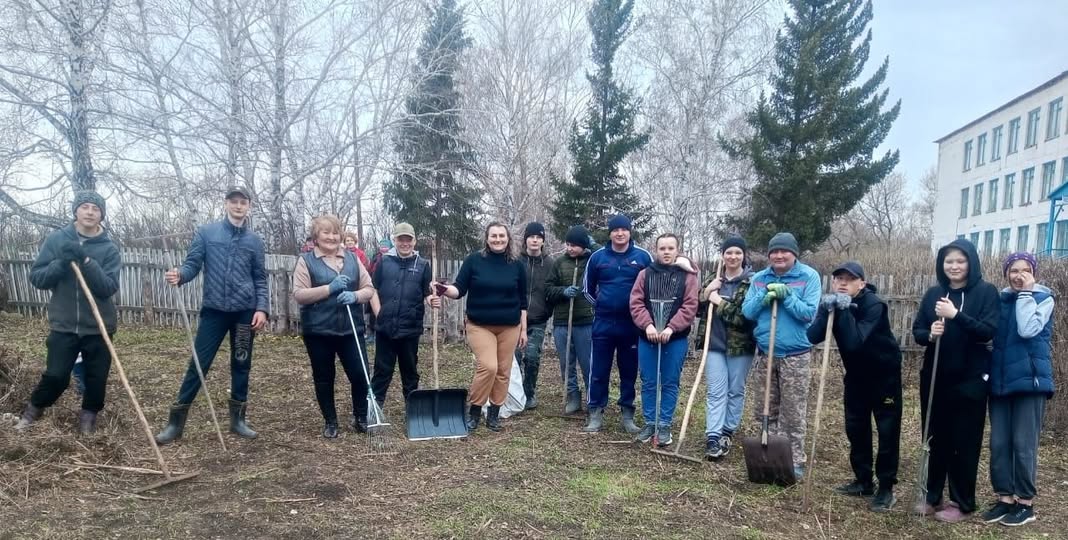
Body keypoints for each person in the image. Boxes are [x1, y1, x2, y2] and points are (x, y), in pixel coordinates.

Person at [155, 186, 269, 443]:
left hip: (244, 313)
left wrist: (262, 308)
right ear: (226, 204)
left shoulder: (254, 241)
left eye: (243, 202)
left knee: (241, 362)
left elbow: (260, 278)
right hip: (214, 311)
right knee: (199, 362)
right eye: (234, 201)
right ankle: (175, 423)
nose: (238, 206)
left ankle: (238, 420)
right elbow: (192, 264)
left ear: (249, 207)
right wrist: (180, 275)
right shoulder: (207, 233)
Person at [16, 191, 121, 435]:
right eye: (85, 206)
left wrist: (86, 261)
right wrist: (61, 262)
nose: (90, 212)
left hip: (98, 326)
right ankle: (32, 411)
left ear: (101, 215)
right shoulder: (56, 240)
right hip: (64, 325)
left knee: (96, 379)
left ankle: (88, 420)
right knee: (56, 376)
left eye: (96, 208)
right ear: (76, 210)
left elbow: (107, 288)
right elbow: (38, 278)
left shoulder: (109, 248)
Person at [911, 238, 998, 522]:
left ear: (971, 263)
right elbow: (917, 330)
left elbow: (987, 331)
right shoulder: (934, 293)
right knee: (934, 437)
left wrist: (956, 316)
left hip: (970, 379)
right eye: (949, 261)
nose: (954, 266)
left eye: (960, 261)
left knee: (964, 441)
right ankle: (931, 494)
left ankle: (962, 501)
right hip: (936, 376)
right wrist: (930, 333)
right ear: (942, 264)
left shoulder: (986, 292)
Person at [807, 261, 902, 512]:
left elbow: (854, 342)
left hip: (884, 376)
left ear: (861, 283)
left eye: (849, 279)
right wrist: (824, 310)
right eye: (838, 279)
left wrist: (845, 309)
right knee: (856, 427)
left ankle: (886, 487)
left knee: (887, 431)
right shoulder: (833, 303)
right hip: (857, 376)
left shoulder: (874, 305)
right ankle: (863, 480)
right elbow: (812, 336)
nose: (843, 283)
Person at [980, 252, 1054, 527]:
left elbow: (1027, 329)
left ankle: (1025, 503)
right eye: (1013, 270)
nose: (1019, 275)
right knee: (999, 444)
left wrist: (1025, 294)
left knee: (1023, 445)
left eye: (1025, 270)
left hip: (1030, 383)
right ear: (1006, 274)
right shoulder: (1000, 301)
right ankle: (1005, 498)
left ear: (1033, 273)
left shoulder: (1043, 299)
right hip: (1000, 382)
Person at [741, 232, 821, 480]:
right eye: (774, 252)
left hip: (795, 355)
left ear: (794, 253)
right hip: (765, 353)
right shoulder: (760, 278)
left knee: (793, 410)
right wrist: (763, 298)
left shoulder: (808, 277)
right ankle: (771, 455)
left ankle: (794, 459)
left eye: (784, 251)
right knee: (765, 408)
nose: (778, 256)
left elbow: (808, 314)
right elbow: (748, 311)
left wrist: (787, 296)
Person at [435, 222, 528, 432]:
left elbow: (523, 301)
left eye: (502, 236)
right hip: (479, 325)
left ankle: (494, 414)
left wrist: (523, 329)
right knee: (489, 366)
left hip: (509, 327)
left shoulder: (517, 265)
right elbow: (459, 289)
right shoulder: (474, 261)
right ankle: (475, 411)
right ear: (487, 238)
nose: (498, 239)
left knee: (503, 371)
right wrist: (444, 289)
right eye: (494, 236)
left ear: (508, 239)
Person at [291, 215, 375, 438]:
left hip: (350, 329)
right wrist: (329, 288)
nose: (331, 237)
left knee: (360, 374)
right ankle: (330, 421)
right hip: (319, 331)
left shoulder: (352, 259)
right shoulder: (306, 260)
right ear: (316, 236)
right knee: (324, 377)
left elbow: (369, 288)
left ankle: (361, 417)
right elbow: (299, 294)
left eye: (335, 232)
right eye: (326, 232)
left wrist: (355, 296)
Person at [581, 214, 652, 433]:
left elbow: (651, 288)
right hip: (603, 324)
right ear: (610, 233)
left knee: (629, 371)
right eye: (615, 230)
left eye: (624, 229)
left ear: (630, 232)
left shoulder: (643, 257)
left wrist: (640, 314)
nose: (620, 233)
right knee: (598, 370)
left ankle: (627, 414)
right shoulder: (598, 258)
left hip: (631, 326)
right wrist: (602, 305)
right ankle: (595, 412)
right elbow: (587, 289)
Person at [628, 233, 699, 447]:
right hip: (647, 338)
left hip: (674, 339)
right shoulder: (645, 274)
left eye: (670, 248)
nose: (666, 252)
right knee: (649, 382)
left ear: (677, 250)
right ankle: (650, 422)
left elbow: (690, 305)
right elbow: (636, 302)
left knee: (669, 382)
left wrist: (671, 327)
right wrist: (648, 325)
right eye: (662, 248)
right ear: (656, 250)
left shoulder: (687, 276)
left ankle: (665, 424)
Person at [698, 235, 755, 461]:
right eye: (728, 252)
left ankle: (727, 431)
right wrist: (706, 293)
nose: (733, 256)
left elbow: (743, 318)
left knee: (735, 390)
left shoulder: (751, 283)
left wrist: (718, 300)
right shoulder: (713, 279)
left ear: (743, 255)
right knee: (715, 391)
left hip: (740, 347)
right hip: (714, 344)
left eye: (737, 252)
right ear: (722, 255)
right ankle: (713, 436)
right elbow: (696, 309)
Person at [370, 223, 434, 409]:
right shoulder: (384, 262)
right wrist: (379, 313)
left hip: (410, 329)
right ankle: (374, 409)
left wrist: (433, 299)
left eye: (408, 239)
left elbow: (427, 293)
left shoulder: (422, 265)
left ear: (414, 241)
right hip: (385, 328)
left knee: (410, 371)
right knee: (382, 370)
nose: (405, 243)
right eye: (401, 239)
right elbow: (373, 289)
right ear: (395, 240)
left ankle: (413, 409)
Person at [545, 225, 595, 414]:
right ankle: (573, 396)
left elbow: (606, 255)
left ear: (583, 245)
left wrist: (593, 245)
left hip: (585, 321)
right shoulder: (559, 263)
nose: (570, 248)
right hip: (562, 321)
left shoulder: (591, 261)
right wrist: (562, 291)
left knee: (588, 363)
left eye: (574, 245)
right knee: (566, 362)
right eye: (568, 244)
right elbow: (548, 288)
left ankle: (592, 398)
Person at [517, 222, 553, 409]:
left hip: (538, 319)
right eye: (531, 237)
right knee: (514, 358)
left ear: (543, 241)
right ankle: (515, 394)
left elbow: (554, 289)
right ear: (525, 240)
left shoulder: (549, 264)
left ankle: (529, 393)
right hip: (514, 319)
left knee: (531, 357)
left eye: (538, 237)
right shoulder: (516, 262)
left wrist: (548, 310)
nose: (535, 240)